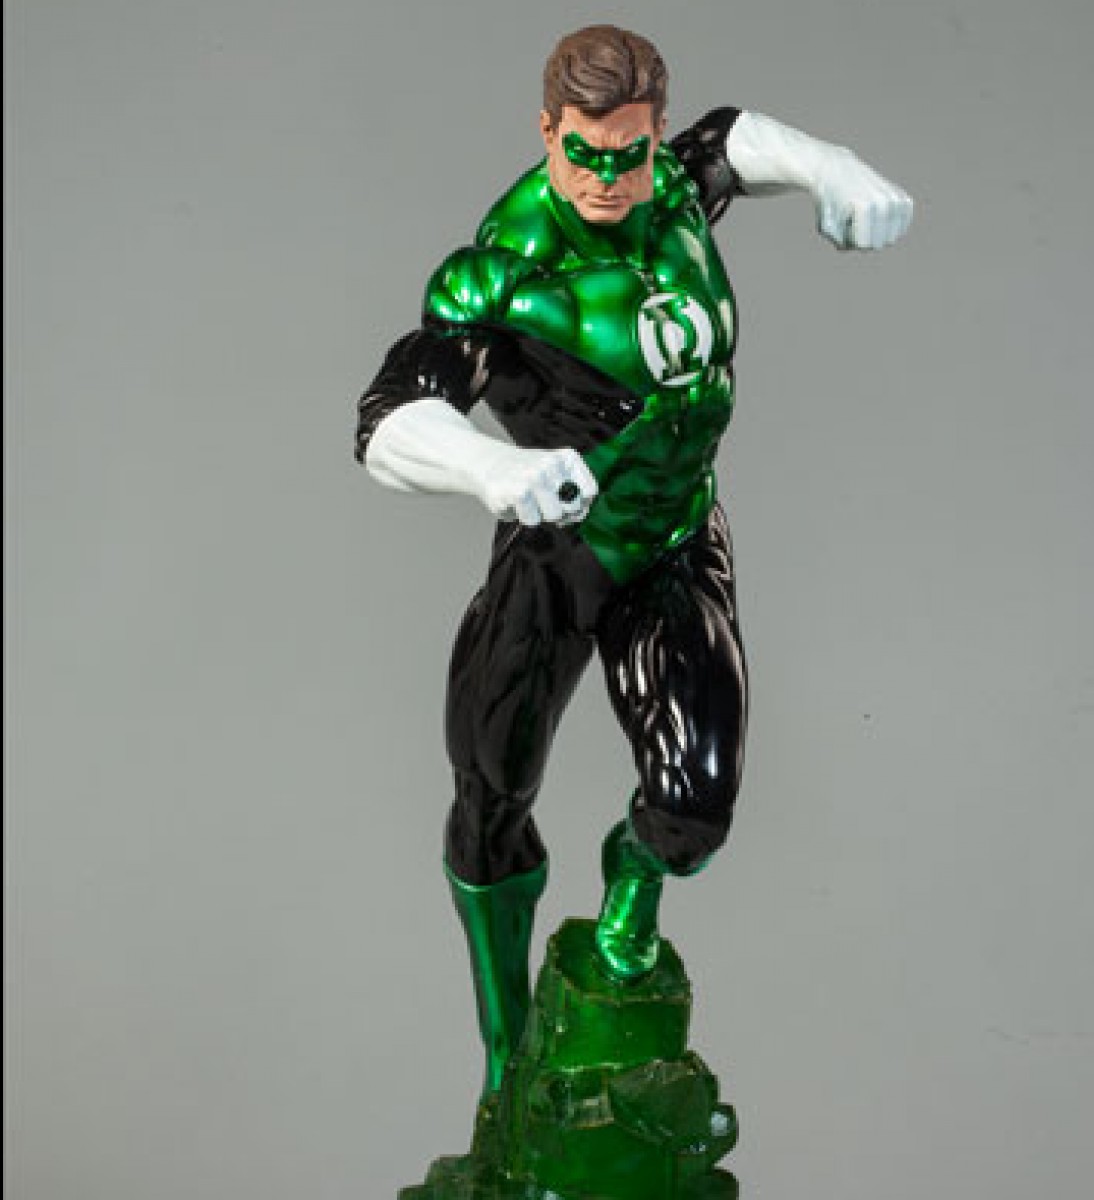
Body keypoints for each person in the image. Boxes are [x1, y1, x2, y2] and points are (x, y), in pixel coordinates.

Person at [355, 25, 912, 1100]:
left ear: (651, 137)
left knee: (695, 805)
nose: (607, 177)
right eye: (583, 153)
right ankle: (503, 1047)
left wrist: (831, 166)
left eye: (630, 152)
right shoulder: (507, 270)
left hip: (674, 537)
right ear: (546, 132)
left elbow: (729, 141)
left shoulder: (670, 196)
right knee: (490, 794)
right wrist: (490, 467)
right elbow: (389, 416)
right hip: (560, 552)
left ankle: (633, 887)